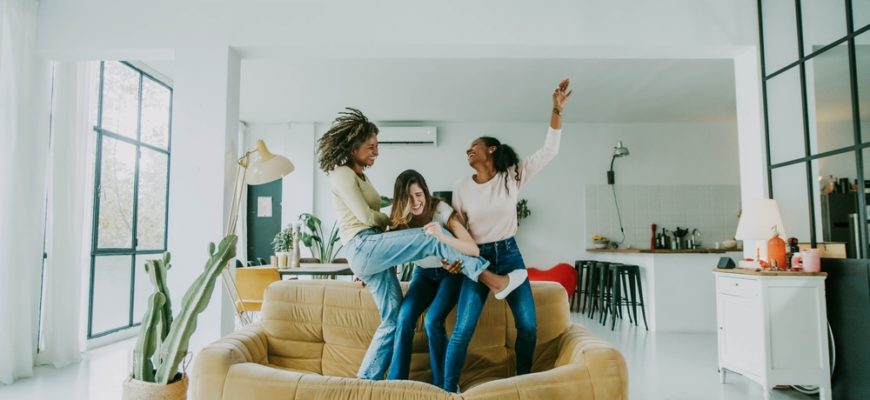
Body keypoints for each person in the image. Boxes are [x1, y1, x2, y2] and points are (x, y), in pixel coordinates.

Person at [316, 108, 528, 381]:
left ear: (426, 193)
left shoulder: (365, 178)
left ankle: (365, 382)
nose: (376, 152)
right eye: (371, 146)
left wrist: (373, 261)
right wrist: (394, 219)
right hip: (363, 245)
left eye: (377, 146)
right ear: (353, 145)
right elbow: (367, 217)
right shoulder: (341, 174)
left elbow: (379, 220)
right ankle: (491, 278)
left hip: (373, 250)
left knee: (394, 319)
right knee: (430, 235)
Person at [441, 79, 572, 393]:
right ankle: (448, 389)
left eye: (474, 145)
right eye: (466, 149)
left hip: (510, 255)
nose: (468, 150)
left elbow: (549, 151)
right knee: (462, 330)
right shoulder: (461, 186)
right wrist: (456, 259)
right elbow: (458, 232)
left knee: (528, 326)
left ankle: (522, 382)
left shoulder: (511, 176)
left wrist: (556, 109)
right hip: (478, 258)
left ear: (491, 149)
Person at [385, 170, 471, 387]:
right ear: (401, 201)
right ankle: (396, 384)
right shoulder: (398, 220)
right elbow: (385, 253)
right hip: (423, 274)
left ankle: (443, 385)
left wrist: (458, 261)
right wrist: (364, 274)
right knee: (404, 319)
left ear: (425, 192)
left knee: (433, 321)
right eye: (409, 197)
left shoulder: (440, 209)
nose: (416, 202)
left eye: (419, 194)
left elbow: (467, 245)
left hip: (450, 274)